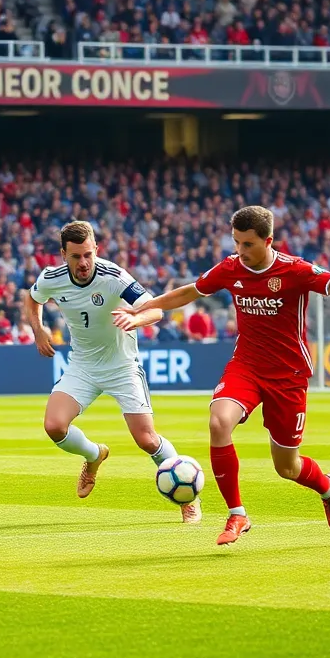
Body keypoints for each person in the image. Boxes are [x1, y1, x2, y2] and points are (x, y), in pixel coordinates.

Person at [123, 207, 330, 545]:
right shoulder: (231, 267)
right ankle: (237, 513)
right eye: (236, 242)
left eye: (248, 244)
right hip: (246, 366)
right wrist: (143, 308)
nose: (240, 251)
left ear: (268, 241)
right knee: (219, 422)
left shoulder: (294, 270)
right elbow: (190, 291)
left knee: (287, 467)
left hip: (288, 375)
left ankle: (328, 486)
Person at [24, 220, 200, 523]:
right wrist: (38, 329)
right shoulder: (51, 278)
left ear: (96, 250)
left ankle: (188, 498)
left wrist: (136, 320)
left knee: (146, 439)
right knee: (54, 426)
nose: (83, 263)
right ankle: (94, 455)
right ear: (63, 254)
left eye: (88, 255)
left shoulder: (114, 276)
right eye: (76, 256)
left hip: (122, 367)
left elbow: (155, 309)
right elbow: (32, 298)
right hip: (82, 365)